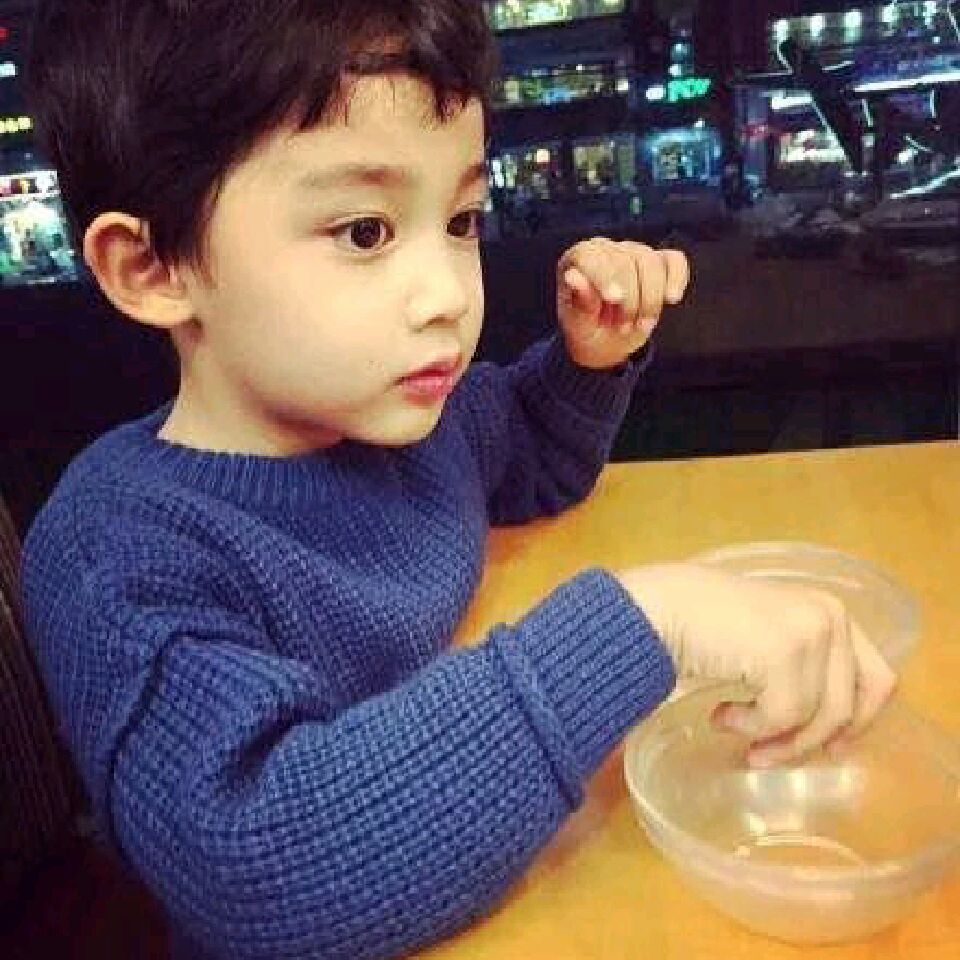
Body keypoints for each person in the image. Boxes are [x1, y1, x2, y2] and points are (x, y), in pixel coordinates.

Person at [21, 3, 895, 959]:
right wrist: (647, 623)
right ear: (152, 266)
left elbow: (532, 452)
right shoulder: (121, 553)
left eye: (462, 220)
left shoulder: (405, 423)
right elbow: (263, 867)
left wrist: (588, 361)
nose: (448, 295)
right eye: (365, 231)